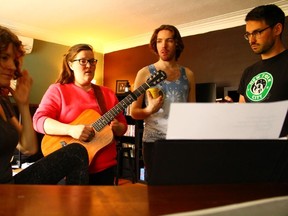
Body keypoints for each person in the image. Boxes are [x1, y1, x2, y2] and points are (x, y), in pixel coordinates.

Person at [0, 25, 89, 185]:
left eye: (14, 60)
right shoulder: (58, 89)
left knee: (76, 152)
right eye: (4, 57)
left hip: (8, 186)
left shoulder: (3, 102)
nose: (13, 67)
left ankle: (77, 209)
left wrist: (23, 104)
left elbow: (28, 148)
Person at [33, 43, 127, 185]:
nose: (89, 65)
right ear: (71, 64)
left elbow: (123, 127)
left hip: (105, 169)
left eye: (92, 61)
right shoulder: (57, 90)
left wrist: (117, 127)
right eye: (83, 61)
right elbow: (39, 120)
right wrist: (71, 130)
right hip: (69, 168)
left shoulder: (107, 93)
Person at [130, 24, 196, 180]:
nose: (163, 45)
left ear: (177, 44)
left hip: (181, 141)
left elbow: (193, 112)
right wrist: (148, 111)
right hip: (154, 142)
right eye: (159, 41)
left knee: (181, 187)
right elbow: (134, 112)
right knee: (156, 191)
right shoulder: (145, 73)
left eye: (169, 41)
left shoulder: (189, 74)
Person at [236, 4, 288, 137]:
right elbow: (242, 115)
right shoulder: (248, 72)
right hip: (256, 152)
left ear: (277, 29)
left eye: (257, 32)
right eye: (248, 34)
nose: (251, 40)